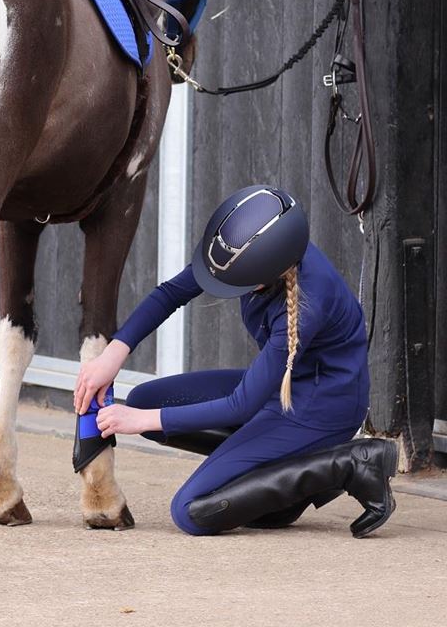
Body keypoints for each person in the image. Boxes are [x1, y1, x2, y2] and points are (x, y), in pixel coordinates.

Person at [73, 185, 398, 538]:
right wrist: (113, 354)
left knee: (193, 512)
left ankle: (350, 463)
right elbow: (171, 293)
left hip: (320, 409)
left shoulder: (307, 304)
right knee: (144, 402)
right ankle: (286, 483)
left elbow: (240, 406)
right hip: (281, 386)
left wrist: (138, 422)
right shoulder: (249, 247)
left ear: (268, 274)